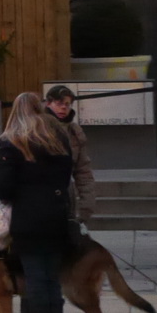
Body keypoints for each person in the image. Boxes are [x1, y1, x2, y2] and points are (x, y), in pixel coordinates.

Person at [0, 91, 77, 313]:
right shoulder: (58, 140)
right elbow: (66, 178)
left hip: (28, 218)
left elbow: (4, 189)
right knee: (51, 279)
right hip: (56, 215)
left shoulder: (12, 142)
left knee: (36, 279)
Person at [44, 85, 97, 224]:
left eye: (67, 104)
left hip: (65, 193)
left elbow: (83, 170)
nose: (64, 108)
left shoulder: (74, 131)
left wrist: (87, 204)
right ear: (48, 103)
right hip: (41, 193)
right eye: (59, 103)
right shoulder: (37, 127)